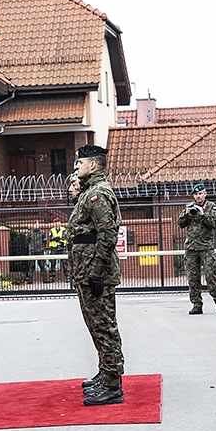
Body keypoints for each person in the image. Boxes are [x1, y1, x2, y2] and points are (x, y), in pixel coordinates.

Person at [69, 144, 125, 406]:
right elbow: (84, 228)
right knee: (95, 327)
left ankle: (112, 385)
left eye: (79, 163)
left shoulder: (98, 194)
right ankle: (105, 374)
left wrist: (96, 272)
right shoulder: (89, 192)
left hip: (95, 272)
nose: (76, 167)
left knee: (104, 327)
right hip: (86, 271)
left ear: (93, 165)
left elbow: (107, 235)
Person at [177, 183, 216, 315]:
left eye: (200, 193)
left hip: (206, 247)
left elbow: (214, 224)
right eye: (196, 194)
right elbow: (180, 224)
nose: (198, 196)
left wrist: (203, 214)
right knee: (193, 277)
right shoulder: (188, 206)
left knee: (211, 276)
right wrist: (186, 214)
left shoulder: (211, 206)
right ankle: (196, 304)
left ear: (205, 194)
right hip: (191, 247)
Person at [46, 217, 67, 282]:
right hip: (54, 248)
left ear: (60, 223)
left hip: (62, 247)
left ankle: (67, 277)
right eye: (55, 222)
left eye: (58, 222)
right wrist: (58, 238)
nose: (57, 224)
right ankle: (51, 277)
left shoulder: (63, 229)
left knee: (65, 263)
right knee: (52, 263)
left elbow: (64, 237)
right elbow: (51, 238)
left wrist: (57, 239)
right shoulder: (51, 230)